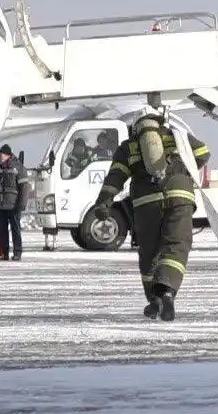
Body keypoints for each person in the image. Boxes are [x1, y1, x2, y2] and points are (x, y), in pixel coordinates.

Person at [90, 109, 210, 321]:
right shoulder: (176, 136)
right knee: (176, 245)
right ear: (159, 122)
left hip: (146, 203)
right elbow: (203, 153)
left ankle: (153, 302)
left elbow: (115, 178)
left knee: (149, 251)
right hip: (179, 198)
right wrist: (183, 170)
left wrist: (103, 202)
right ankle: (166, 291)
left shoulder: (128, 147)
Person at [0, 144, 26, 261]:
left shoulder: (18, 167)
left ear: (7, 155)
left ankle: (17, 253)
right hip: (0, 206)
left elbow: (24, 187)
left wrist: (21, 204)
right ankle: (4, 253)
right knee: (2, 231)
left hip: (14, 206)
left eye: (1, 154)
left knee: (15, 230)